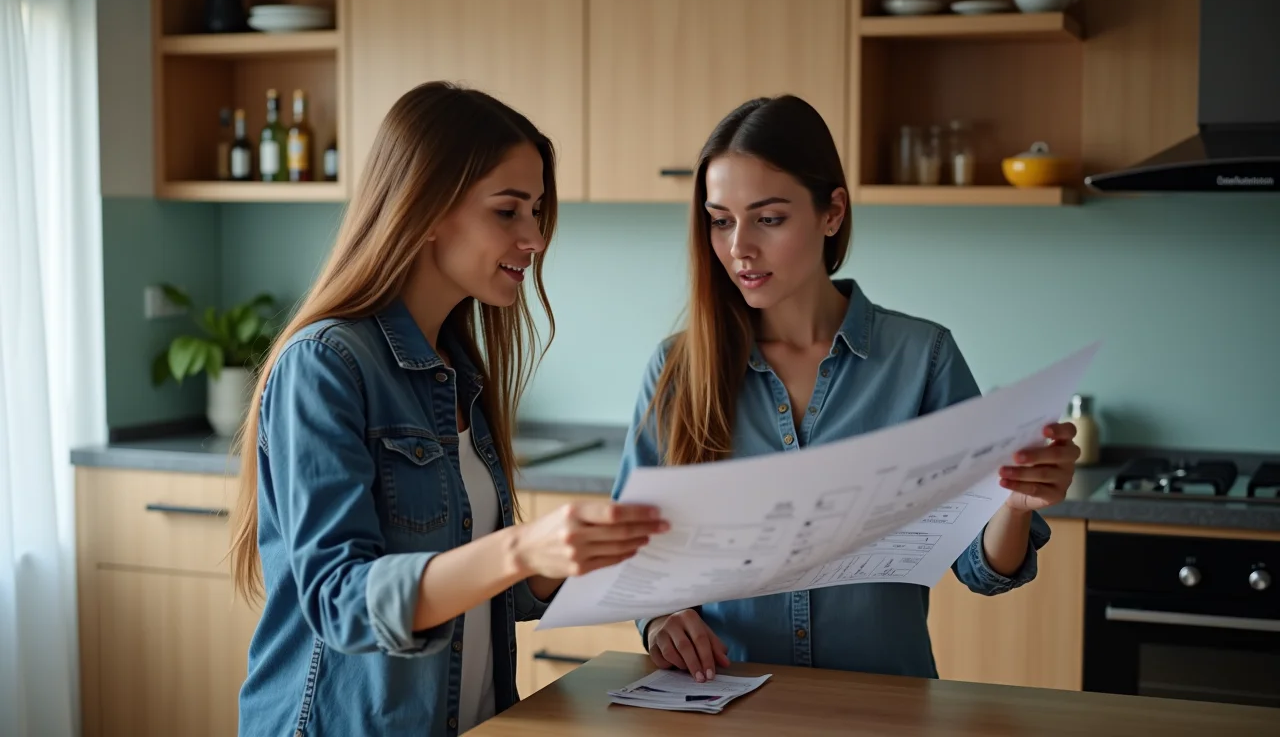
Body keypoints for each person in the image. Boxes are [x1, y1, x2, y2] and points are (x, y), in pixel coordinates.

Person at [228, 81, 668, 736]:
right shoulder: (326, 364)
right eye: (508, 211)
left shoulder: (458, 373)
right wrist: (522, 547)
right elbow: (342, 602)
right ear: (428, 209)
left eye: (538, 211)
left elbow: (477, 589)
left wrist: (575, 556)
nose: (536, 237)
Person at [612, 94, 1079, 682]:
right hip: (727, 706)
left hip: (883, 709)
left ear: (832, 213)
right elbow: (634, 552)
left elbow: (982, 570)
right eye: (721, 220)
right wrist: (660, 619)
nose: (739, 249)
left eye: (769, 218)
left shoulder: (921, 359)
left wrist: (1013, 503)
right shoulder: (678, 369)